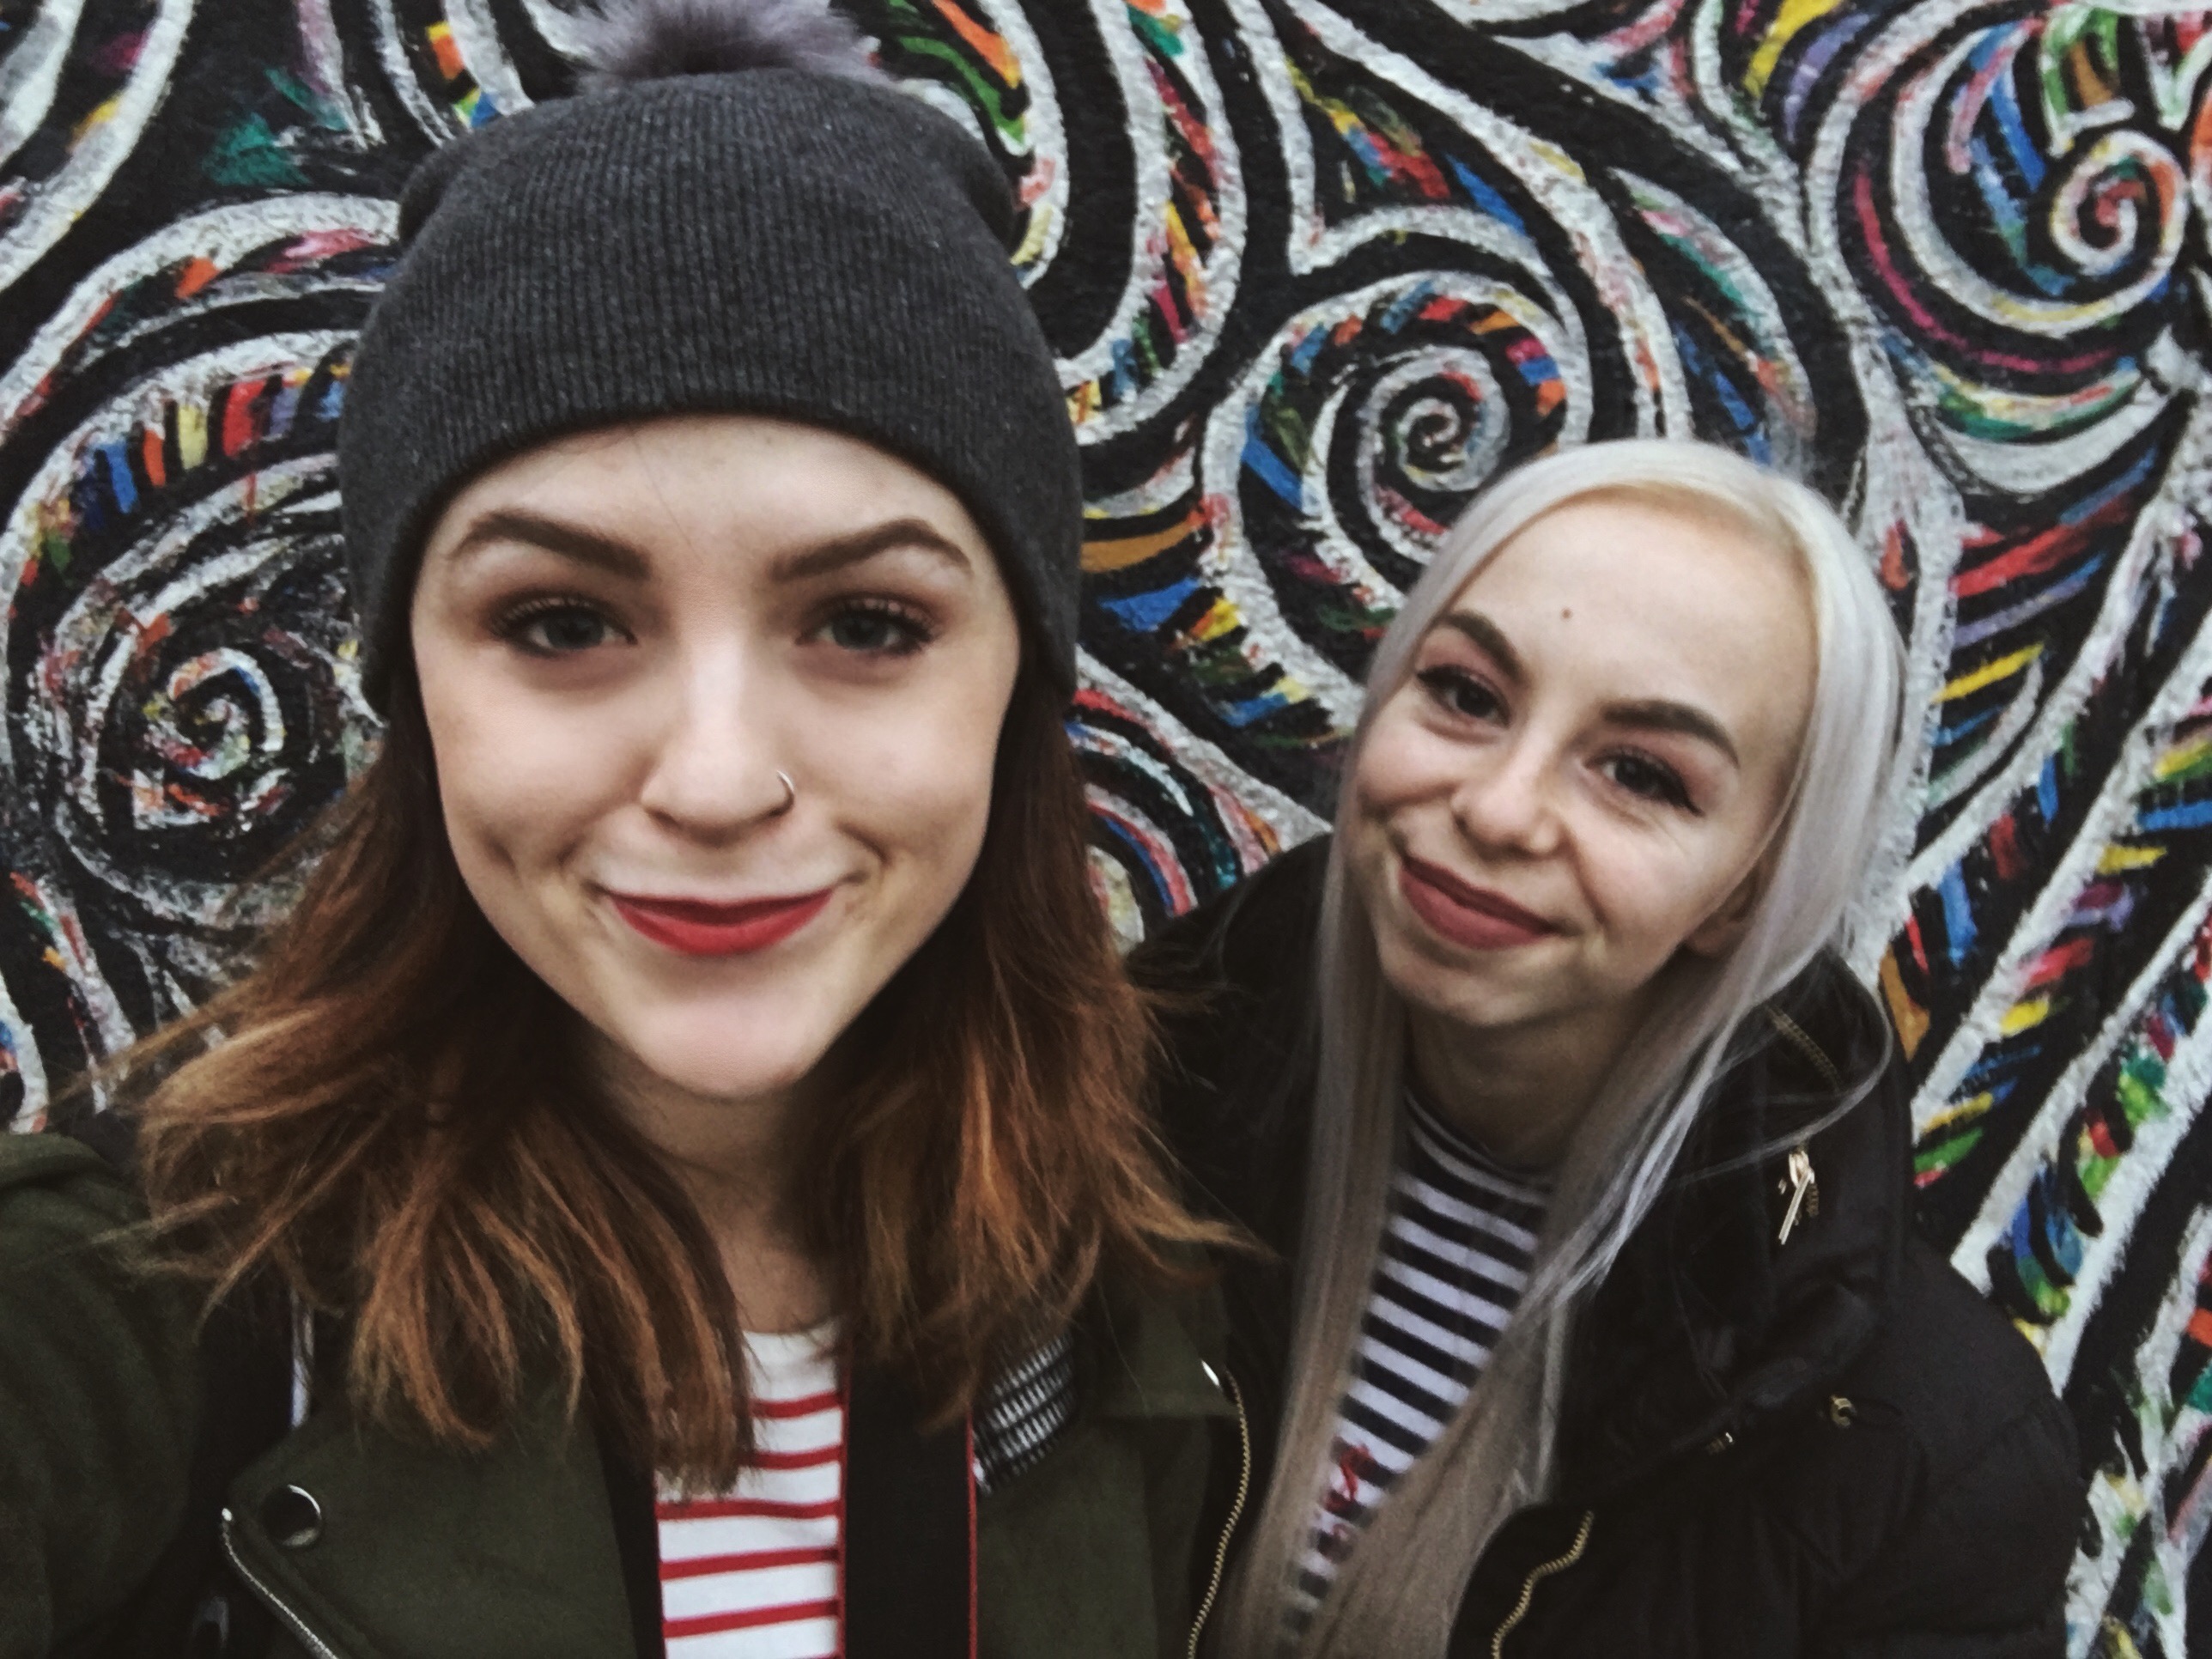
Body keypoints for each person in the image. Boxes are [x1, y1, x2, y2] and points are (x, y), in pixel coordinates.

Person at [0, 4, 1243, 1656]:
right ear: (413, 686)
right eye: (562, 622)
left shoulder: (1121, 1293)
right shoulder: (134, 1308)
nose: (717, 783)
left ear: (1016, 684)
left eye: (868, 623)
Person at [1139, 440, 2084, 1656]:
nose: (1499, 808)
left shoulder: (1928, 1466)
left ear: (1745, 895)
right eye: (1467, 695)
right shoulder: (1115, 1104)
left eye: (1640, 774)